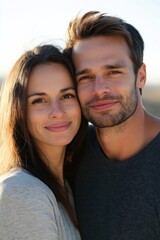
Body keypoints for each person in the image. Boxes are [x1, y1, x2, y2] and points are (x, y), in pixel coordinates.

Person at [64, 11, 160, 240]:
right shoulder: (69, 153)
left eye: (113, 72)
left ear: (141, 76)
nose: (99, 89)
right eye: (85, 77)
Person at [0, 44, 87, 240]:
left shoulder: (64, 184)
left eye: (66, 96)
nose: (57, 112)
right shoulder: (22, 192)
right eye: (39, 100)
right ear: (19, 111)